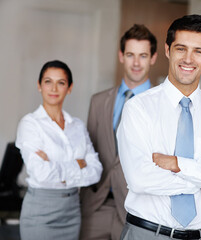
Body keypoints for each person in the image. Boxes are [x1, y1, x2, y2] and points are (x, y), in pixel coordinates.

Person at [117, 14, 201, 240]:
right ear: (167, 50)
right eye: (181, 49)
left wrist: (177, 164)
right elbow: (139, 179)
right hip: (146, 233)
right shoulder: (138, 109)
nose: (188, 59)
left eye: (198, 51)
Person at [79, 24, 158, 239]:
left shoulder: (162, 107)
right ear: (121, 55)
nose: (136, 63)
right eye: (130, 54)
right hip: (96, 206)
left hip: (138, 210)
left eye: (143, 56)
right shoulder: (98, 101)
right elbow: (89, 150)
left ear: (153, 58)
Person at [15, 60, 103, 240]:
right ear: (39, 86)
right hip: (40, 212)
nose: (54, 88)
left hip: (72, 210)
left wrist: (56, 167)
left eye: (61, 82)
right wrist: (77, 165)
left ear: (69, 88)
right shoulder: (30, 124)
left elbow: (96, 171)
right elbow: (41, 173)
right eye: (48, 81)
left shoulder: (77, 126)